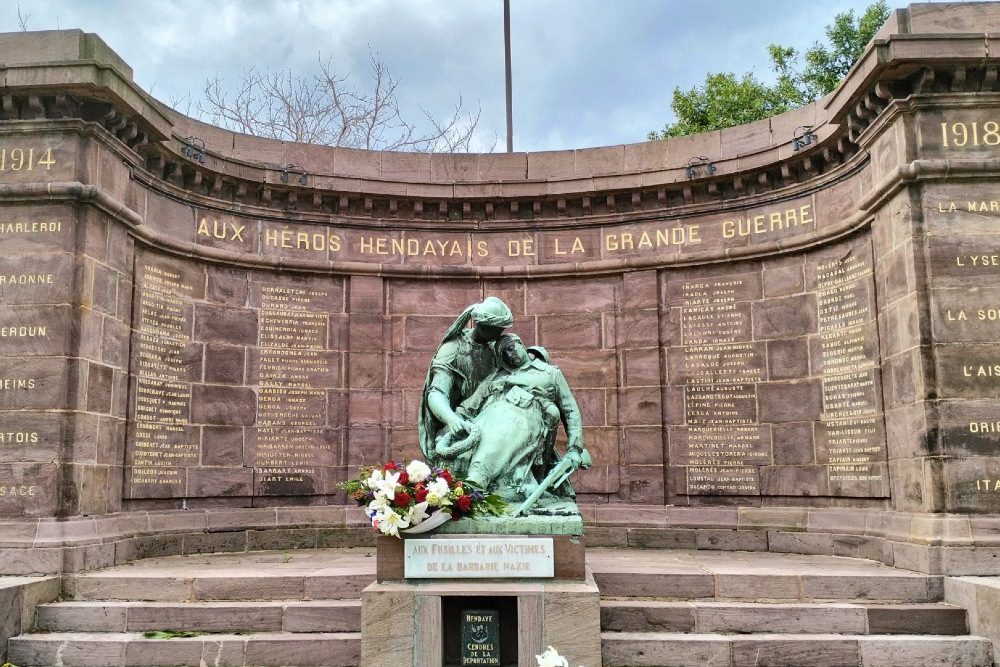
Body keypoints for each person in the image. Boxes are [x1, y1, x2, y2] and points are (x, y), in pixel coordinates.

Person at [434, 333, 587, 509]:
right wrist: (452, 424)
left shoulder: (550, 373)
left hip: (524, 418)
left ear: (521, 344)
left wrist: (574, 449)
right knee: (467, 442)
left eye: (510, 348)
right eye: (503, 353)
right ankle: (463, 490)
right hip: (488, 419)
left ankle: (474, 485)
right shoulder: (495, 377)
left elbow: (570, 411)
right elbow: (468, 408)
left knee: (504, 425)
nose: (508, 354)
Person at [418, 296, 513, 463]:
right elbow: (436, 393)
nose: (501, 333)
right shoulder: (453, 350)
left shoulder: (498, 348)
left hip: (496, 417)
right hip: (464, 420)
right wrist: (451, 419)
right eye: (498, 329)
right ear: (482, 326)